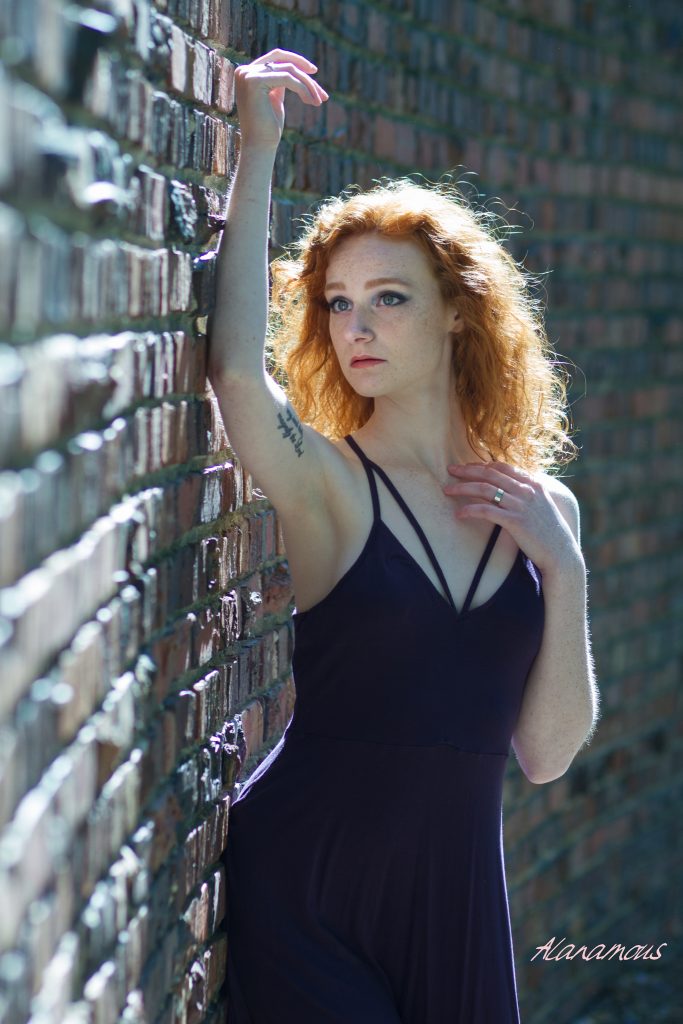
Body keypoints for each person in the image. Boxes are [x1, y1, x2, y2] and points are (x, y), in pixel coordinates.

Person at [211, 48, 598, 1024]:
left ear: (458, 317)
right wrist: (255, 152)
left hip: (456, 902)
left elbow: (545, 754)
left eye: (389, 297)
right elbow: (234, 379)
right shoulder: (332, 482)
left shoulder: (540, 509)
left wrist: (564, 569)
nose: (356, 327)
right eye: (337, 303)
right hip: (310, 886)